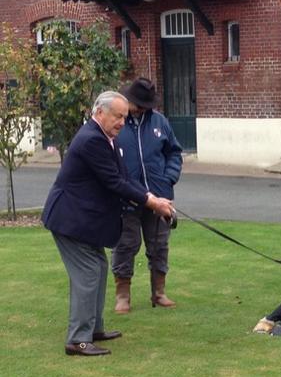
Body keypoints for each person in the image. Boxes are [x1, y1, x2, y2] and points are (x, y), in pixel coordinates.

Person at [42, 91, 173, 356]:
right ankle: (78, 340)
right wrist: (152, 202)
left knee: (99, 268)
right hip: (70, 220)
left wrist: (153, 196)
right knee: (88, 274)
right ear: (100, 113)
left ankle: (94, 329)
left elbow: (123, 176)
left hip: (81, 220)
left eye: (124, 117)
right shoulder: (92, 139)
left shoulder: (105, 138)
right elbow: (115, 183)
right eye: (117, 116)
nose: (122, 122)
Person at [111, 77, 183, 313]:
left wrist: (168, 178)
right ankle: (123, 296)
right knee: (126, 244)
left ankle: (159, 293)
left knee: (159, 245)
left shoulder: (160, 122)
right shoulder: (117, 123)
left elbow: (174, 153)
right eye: (138, 104)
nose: (141, 108)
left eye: (145, 105)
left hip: (159, 197)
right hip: (126, 197)